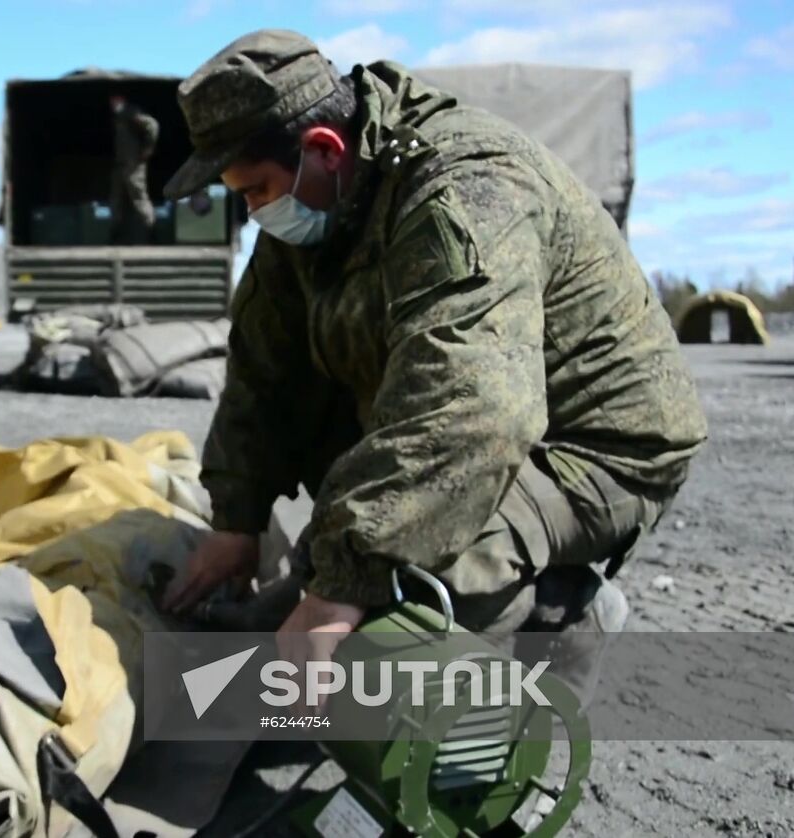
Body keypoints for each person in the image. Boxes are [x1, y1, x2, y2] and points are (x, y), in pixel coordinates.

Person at [158, 30, 708, 703]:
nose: (253, 211)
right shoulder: (313, 197)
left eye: (257, 189)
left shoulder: (466, 190)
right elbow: (263, 370)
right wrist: (236, 520)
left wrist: (340, 593)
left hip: (593, 446)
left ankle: (559, 617)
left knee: (409, 597)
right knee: (337, 572)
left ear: (324, 150)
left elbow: (473, 412)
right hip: (482, 419)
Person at [108, 93, 159, 245]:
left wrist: (148, 148)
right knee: (116, 200)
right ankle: (115, 236)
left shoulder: (130, 113)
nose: (112, 103)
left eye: (115, 100)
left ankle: (152, 233)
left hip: (133, 165)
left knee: (139, 199)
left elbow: (152, 125)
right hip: (121, 164)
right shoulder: (119, 116)